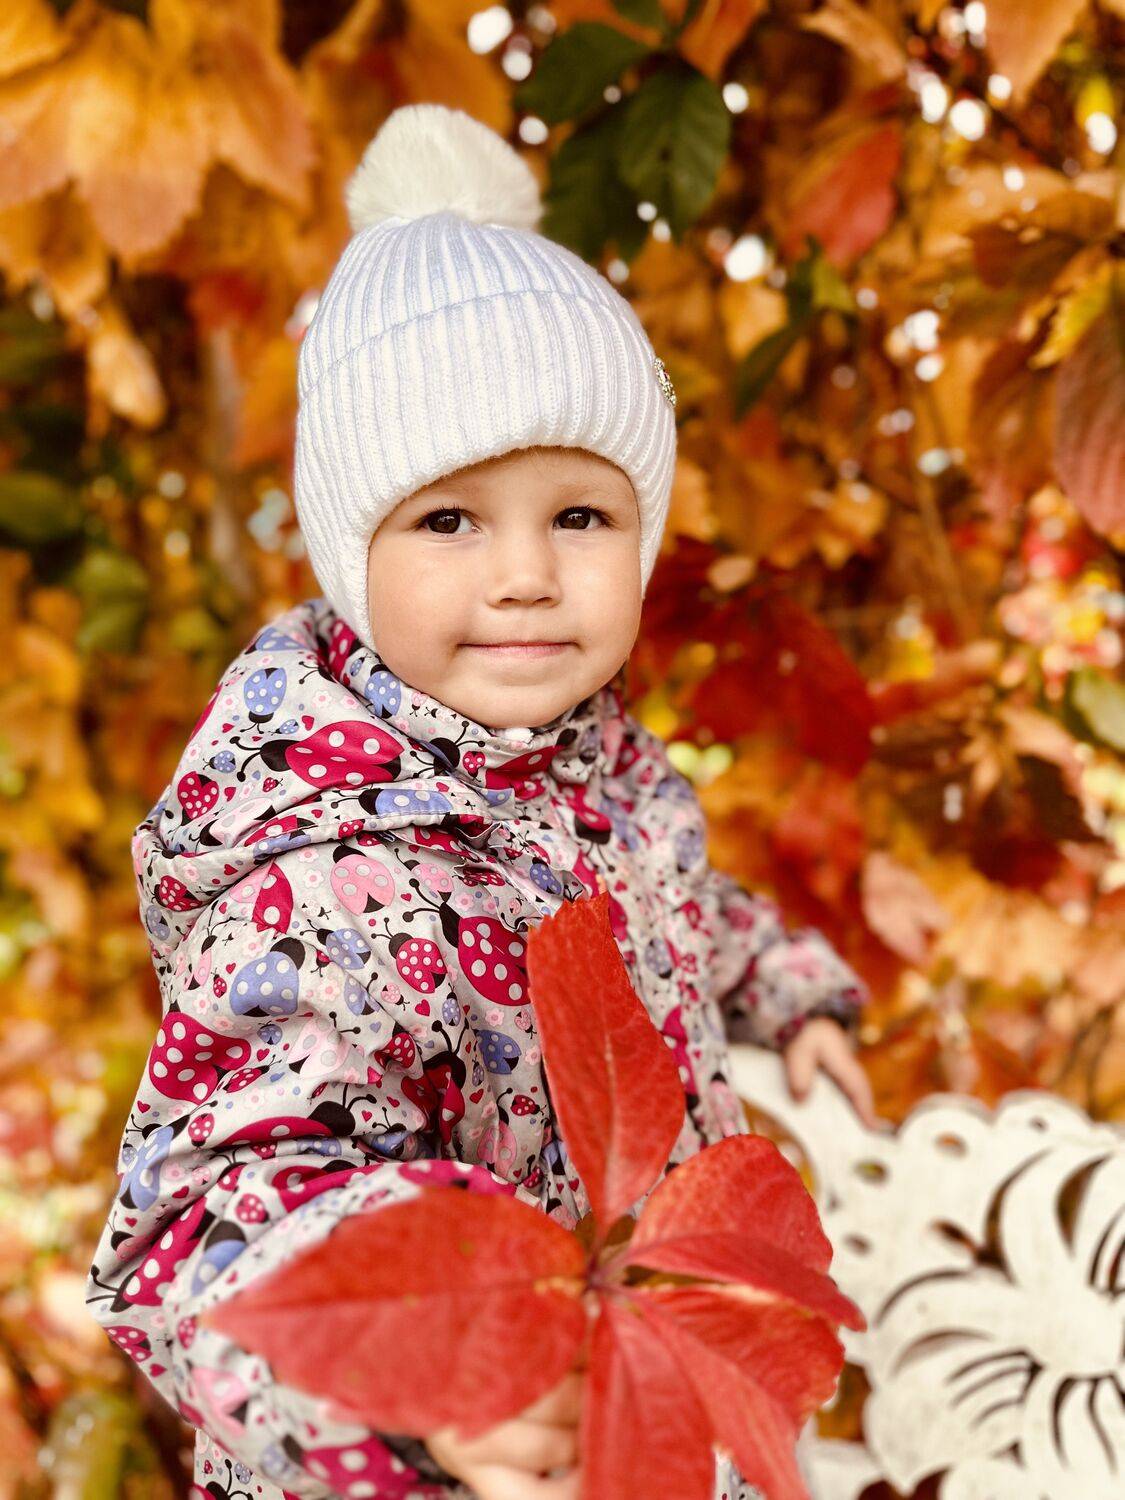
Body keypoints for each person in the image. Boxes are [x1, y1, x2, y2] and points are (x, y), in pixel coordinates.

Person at [85, 104, 877, 1500]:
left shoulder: (608, 778)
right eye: (448, 520)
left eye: (580, 516)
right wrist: (423, 1376)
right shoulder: (319, 876)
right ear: (352, 557)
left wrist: (793, 994)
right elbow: (202, 1216)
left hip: (642, 1404)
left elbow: (683, 909)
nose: (524, 576)